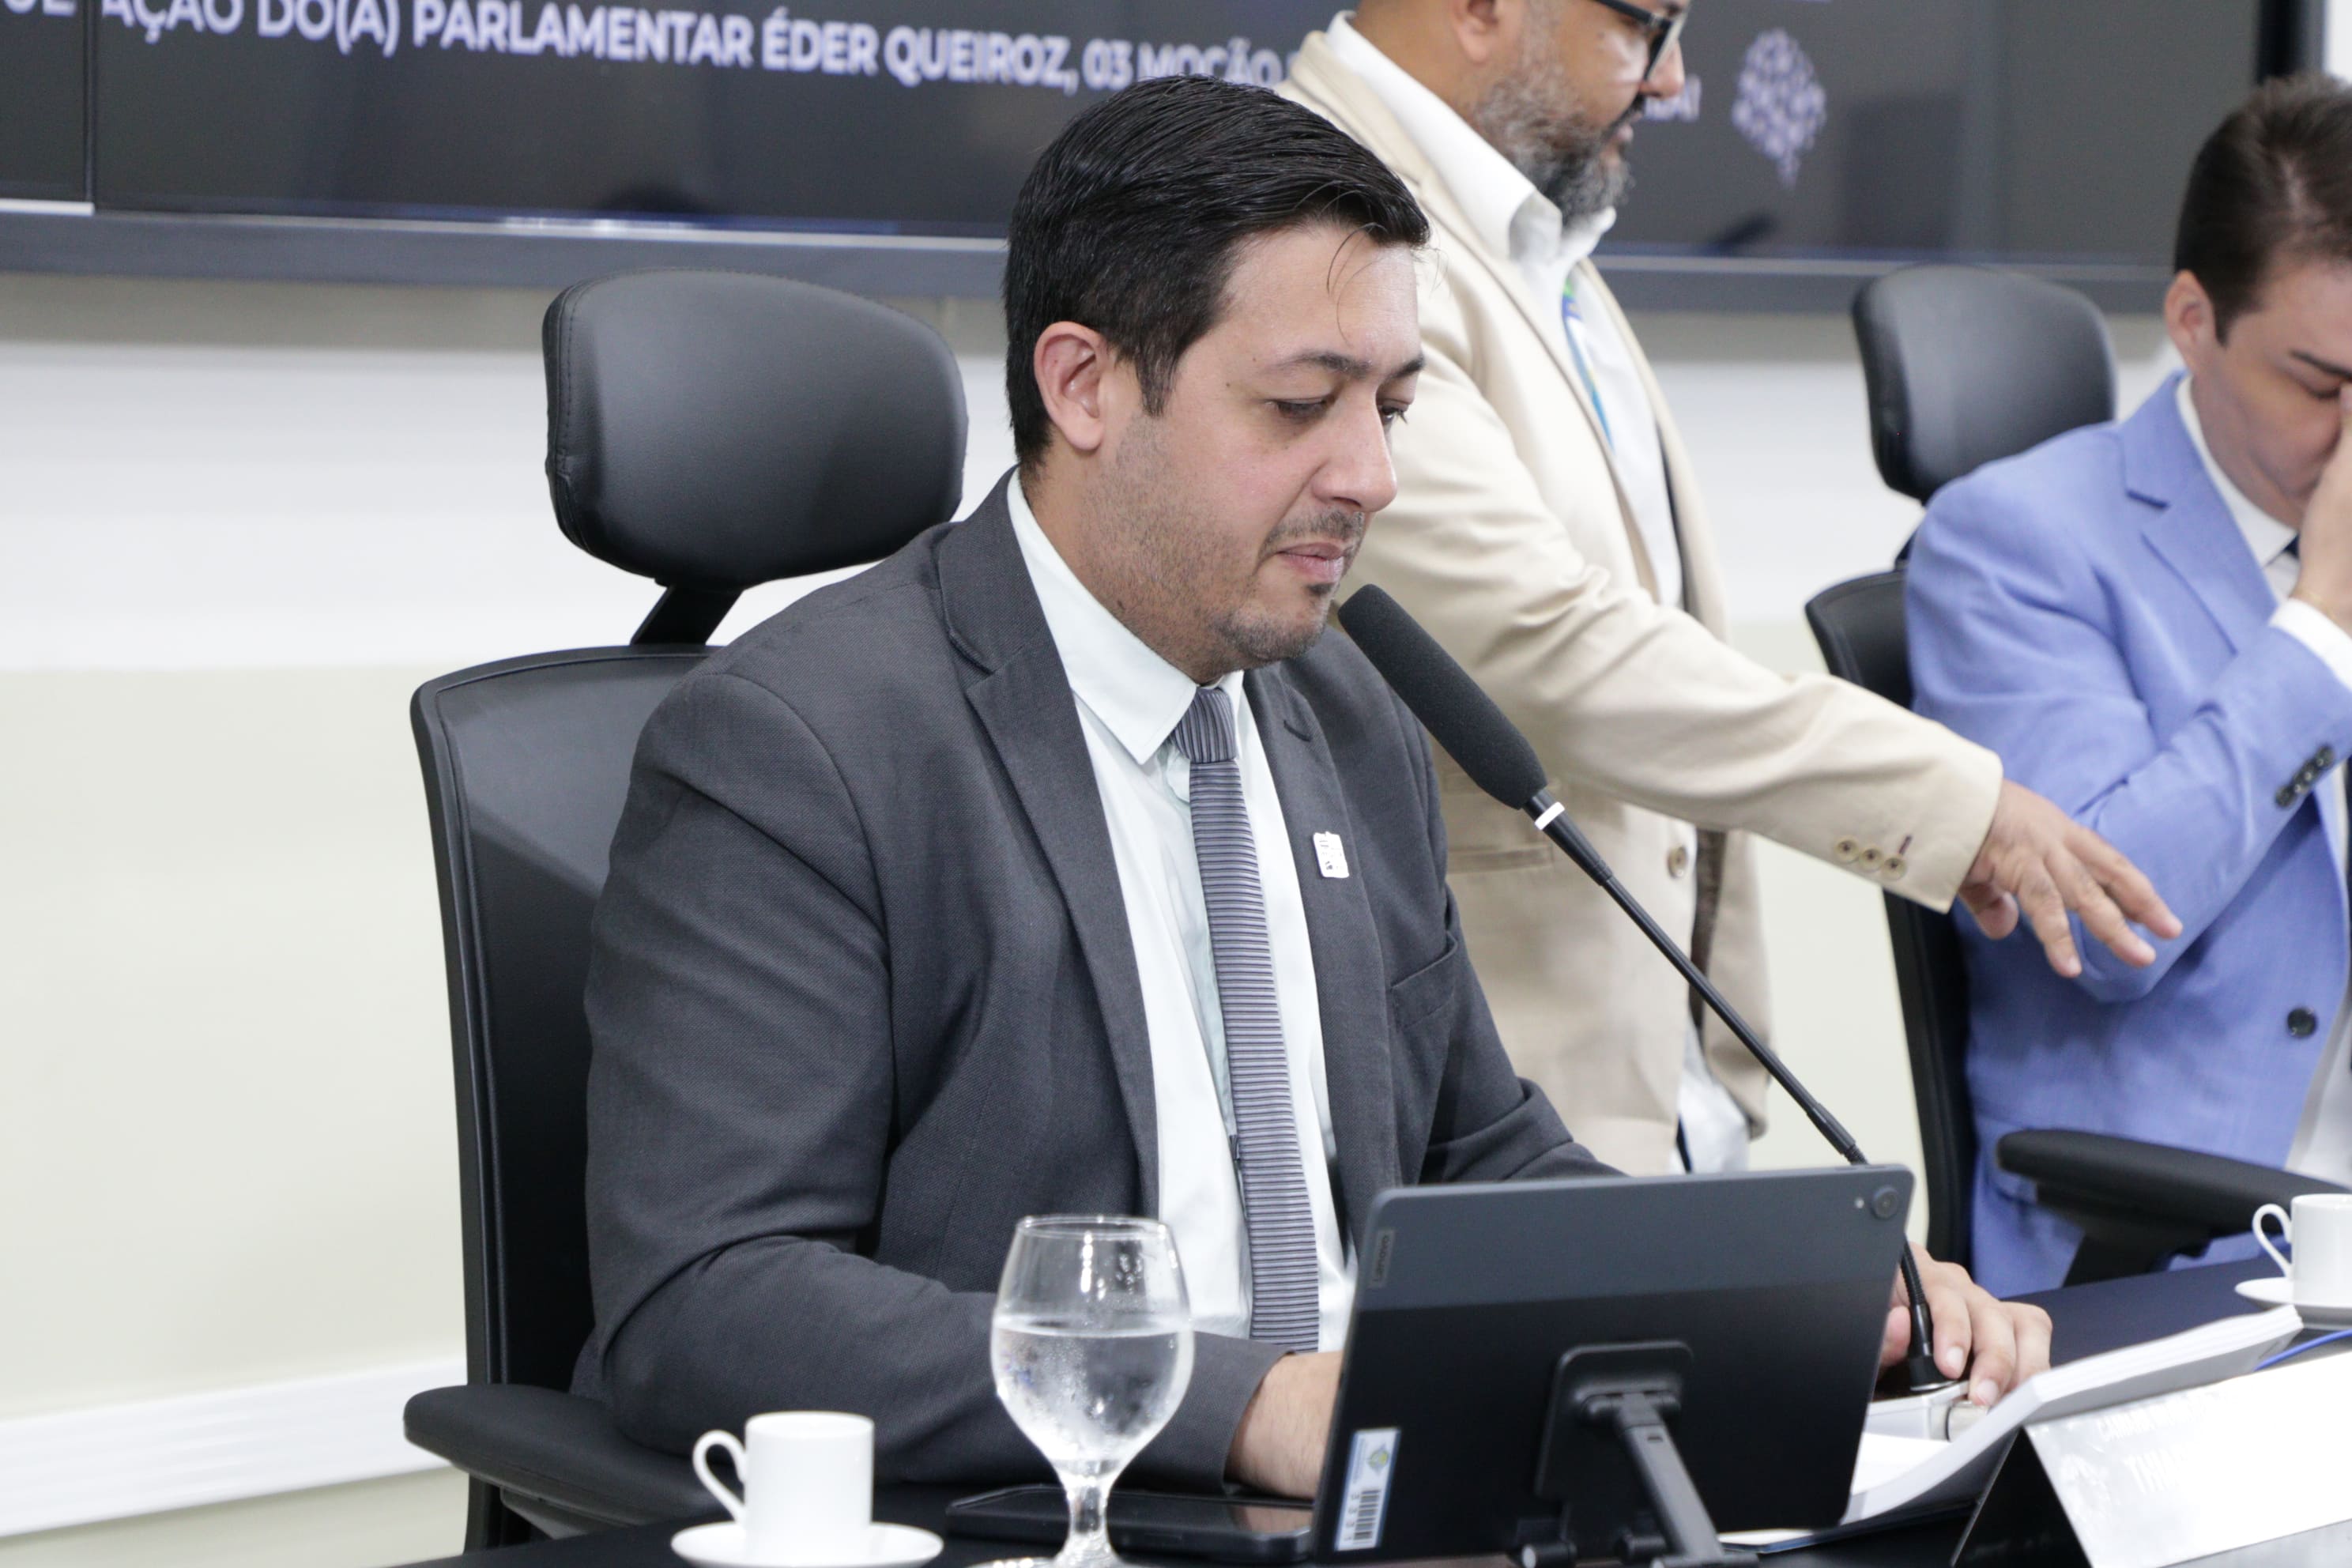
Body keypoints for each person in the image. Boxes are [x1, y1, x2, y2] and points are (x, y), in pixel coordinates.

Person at [575, 77, 2049, 1498]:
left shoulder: (1347, 703)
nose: (1371, 478)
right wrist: (1240, 1407)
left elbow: (1475, 1153)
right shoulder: (800, 746)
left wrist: (1777, 1291)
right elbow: (709, 1301)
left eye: (1390, 409)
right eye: (1300, 405)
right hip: (1077, 1516)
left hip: (1389, 1507)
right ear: (1084, 386)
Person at [1276, 2, 2180, 1178]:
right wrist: (1957, 805)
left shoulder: (1521, 230)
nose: (1671, 82)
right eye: (1643, 27)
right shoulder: (1320, 223)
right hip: (1490, 1109)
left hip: (1658, 1091)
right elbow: (1550, 652)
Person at [1905, 75, 2352, 1295]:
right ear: (2194, 320)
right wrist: (2321, 623)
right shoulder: (2012, 545)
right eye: (2323, 387)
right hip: (2188, 1252)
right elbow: (2111, 930)